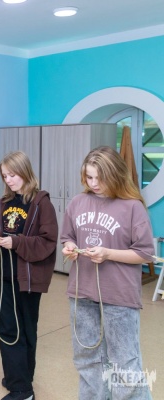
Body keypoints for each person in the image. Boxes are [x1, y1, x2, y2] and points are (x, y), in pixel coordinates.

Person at [61, 146, 154, 400]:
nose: (93, 184)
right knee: (87, 359)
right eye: (89, 177)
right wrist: (69, 247)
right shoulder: (78, 202)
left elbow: (145, 253)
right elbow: (67, 236)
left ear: (115, 175)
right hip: (82, 292)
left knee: (125, 363)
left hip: (119, 295)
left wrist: (108, 253)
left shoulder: (132, 207)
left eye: (99, 178)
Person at [0, 151, 58, 400]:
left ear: (25, 172)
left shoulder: (41, 203)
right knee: (7, 328)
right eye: (5, 176)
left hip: (26, 277)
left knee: (24, 329)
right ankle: (17, 378)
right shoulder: (4, 202)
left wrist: (16, 242)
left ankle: (23, 390)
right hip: (3, 275)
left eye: (12, 175)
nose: (8, 180)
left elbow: (48, 241)